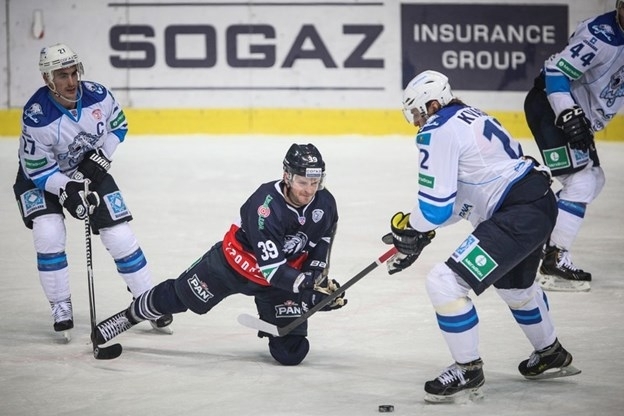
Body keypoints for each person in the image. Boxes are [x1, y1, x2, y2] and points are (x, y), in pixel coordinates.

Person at [386, 70, 580, 403]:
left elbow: (435, 209)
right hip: (537, 204)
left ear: (433, 105)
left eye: (418, 112)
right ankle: (550, 353)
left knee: (444, 282)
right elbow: (461, 201)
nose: (417, 122)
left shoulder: (437, 129)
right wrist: (418, 228)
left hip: (516, 216)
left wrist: (413, 227)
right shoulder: (471, 116)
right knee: (516, 289)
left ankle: (468, 369)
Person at [91, 143, 346, 366]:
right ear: (287, 176)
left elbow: (321, 243)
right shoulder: (265, 207)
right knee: (178, 297)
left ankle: (275, 318)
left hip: (282, 281)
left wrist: (315, 286)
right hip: (232, 266)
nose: (309, 190)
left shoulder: (325, 203)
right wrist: (306, 288)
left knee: (292, 352)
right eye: (303, 182)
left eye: (315, 183)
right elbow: (272, 269)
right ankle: (129, 316)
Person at [13, 43, 173, 341]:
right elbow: (38, 171)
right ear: (48, 78)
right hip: (40, 179)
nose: (71, 81)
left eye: (74, 73)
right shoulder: (37, 116)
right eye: (62, 75)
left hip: (88, 170)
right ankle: (60, 305)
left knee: (120, 235)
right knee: (48, 232)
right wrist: (67, 188)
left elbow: (119, 126)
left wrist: (101, 157)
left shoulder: (98, 95)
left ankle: (147, 300)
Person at [524, 0, 624, 292]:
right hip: (552, 108)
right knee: (580, 183)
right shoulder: (601, 35)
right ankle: (553, 258)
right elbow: (556, 72)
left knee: (594, 180)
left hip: (575, 114)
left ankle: (531, 239)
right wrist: (568, 113)